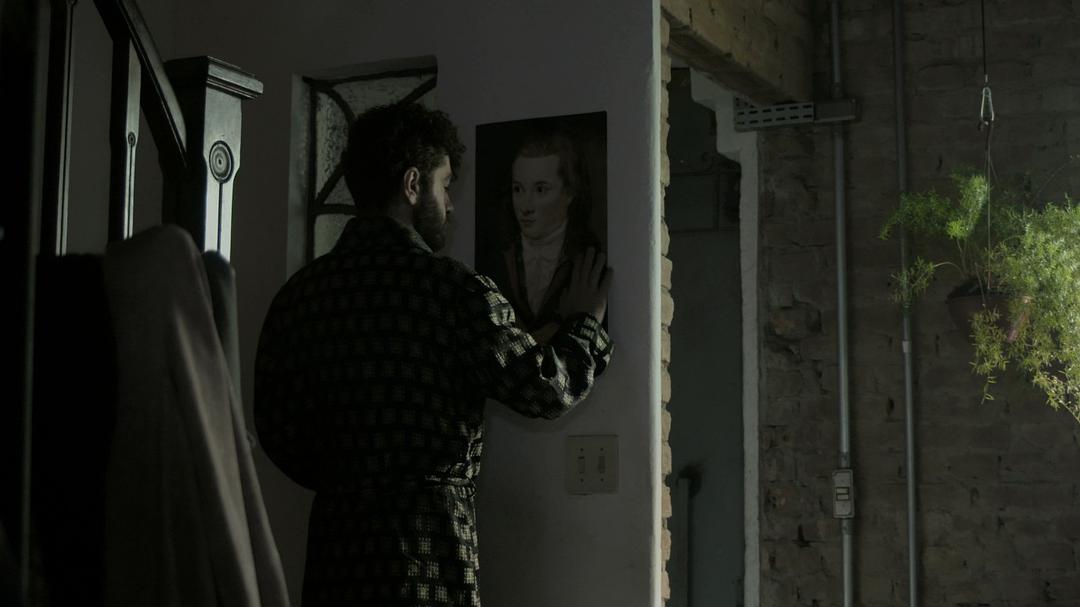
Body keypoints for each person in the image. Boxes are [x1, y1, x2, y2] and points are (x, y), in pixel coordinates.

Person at [253, 103, 613, 607]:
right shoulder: (454, 292)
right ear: (412, 184)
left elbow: (275, 429)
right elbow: (544, 389)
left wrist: (352, 482)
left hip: (335, 558)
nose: (450, 206)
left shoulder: (298, 297)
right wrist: (585, 324)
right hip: (429, 558)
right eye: (444, 187)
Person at [490, 130, 602, 343]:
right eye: (518, 189)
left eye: (540, 190)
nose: (525, 206)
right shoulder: (497, 255)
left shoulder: (586, 255)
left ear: (569, 193)